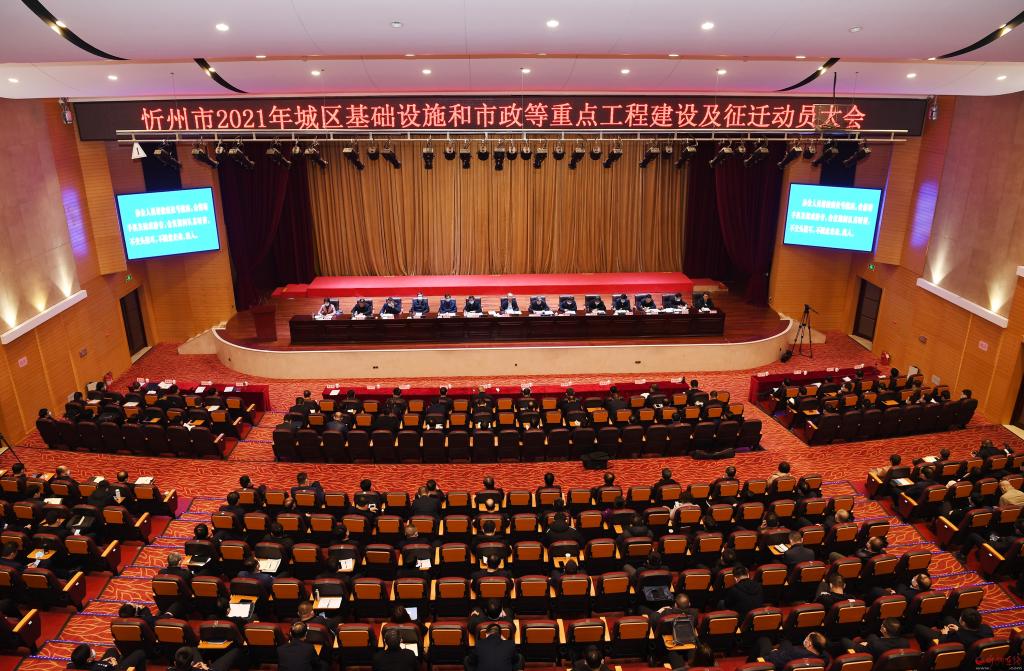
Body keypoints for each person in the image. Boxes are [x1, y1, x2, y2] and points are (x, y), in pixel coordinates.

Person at [913, 608, 993, 652]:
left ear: (963, 623)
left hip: (942, 642)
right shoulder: (987, 629)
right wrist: (959, 629)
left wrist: (944, 633)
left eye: (961, 617)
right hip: (968, 640)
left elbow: (941, 642)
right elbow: (970, 634)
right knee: (948, 619)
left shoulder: (957, 636)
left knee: (918, 628)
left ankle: (925, 650)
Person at [753, 633, 828, 670]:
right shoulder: (824, 659)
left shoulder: (795, 652)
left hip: (774, 663)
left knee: (764, 640)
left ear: (809, 644)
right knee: (786, 642)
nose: (805, 639)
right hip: (787, 656)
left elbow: (775, 660)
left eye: (807, 638)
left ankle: (750, 664)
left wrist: (774, 652)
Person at [68, 643, 147, 671]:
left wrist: (103, 662)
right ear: (88, 660)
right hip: (115, 669)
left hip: (98, 666)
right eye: (90, 652)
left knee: (112, 650)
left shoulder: (70, 666)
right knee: (140, 653)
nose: (92, 651)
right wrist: (114, 664)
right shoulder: (103, 667)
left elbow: (97, 665)